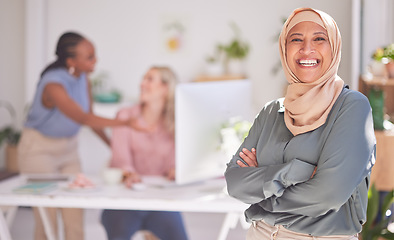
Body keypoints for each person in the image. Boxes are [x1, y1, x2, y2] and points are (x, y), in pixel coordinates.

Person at [225, 8, 375, 240]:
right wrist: (296, 171)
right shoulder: (271, 111)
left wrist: (261, 188)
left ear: (334, 47)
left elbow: (328, 195)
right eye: (296, 39)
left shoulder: (352, 107)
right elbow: (235, 183)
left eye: (319, 39)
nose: (307, 49)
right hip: (259, 233)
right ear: (285, 49)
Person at [17, 32, 143, 240]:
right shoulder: (53, 84)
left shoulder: (84, 79)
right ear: (71, 61)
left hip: (68, 150)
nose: (96, 60)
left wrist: (113, 146)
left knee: (75, 213)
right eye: (90, 57)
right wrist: (127, 123)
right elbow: (83, 118)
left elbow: (91, 118)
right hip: (39, 150)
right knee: (46, 218)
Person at [100, 66, 189, 240]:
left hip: (160, 199)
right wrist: (129, 173)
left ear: (165, 87)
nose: (142, 83)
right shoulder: (125, 115)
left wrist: (175, 170)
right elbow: (120, 158)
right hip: (126, 198)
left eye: (149, 79)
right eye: (143, 78)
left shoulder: (176, 122)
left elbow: (175, 162)